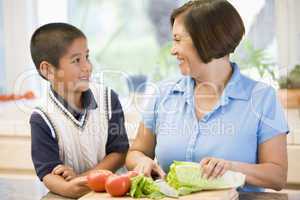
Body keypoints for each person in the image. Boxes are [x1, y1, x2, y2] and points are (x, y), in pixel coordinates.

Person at [126, 0, 289, 192]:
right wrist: (142, 161)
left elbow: (277, 176)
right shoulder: (163, 93)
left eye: (178, 40)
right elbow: (135, 152)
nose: (172, 50)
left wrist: (231, 168)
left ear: (207, 39)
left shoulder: (262, 98)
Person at [30, 23, 129, 198]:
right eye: (76, 60)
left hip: (111, 192)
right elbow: (48, 174)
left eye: (87, 57)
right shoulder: (42, 117)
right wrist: (69, 186)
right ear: (47, 70)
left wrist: (83, 178)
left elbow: (119, 153)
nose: (87, 67)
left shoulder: (108, 98)